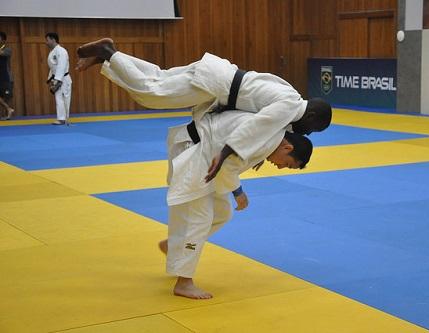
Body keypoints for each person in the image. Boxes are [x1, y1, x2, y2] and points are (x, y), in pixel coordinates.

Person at [75, 38, 331, 179]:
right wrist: (226, 153)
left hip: (216, 74)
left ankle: (108, 56)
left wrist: (261, 155)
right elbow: (256, 126)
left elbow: (262, 126)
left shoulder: (291, 94)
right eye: (312, 128)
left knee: (158, 77)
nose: (306, 133)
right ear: (310, 116)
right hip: (215, 85)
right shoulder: (290, 107)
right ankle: (109, 52)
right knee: (153, 95)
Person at [159, 108, 313, 299]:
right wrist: (238, 193)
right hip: (195, 152)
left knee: (222, 212)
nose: (280, 166)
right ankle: (183, 282)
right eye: (287, 164)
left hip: (203, 153)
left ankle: (174, 247)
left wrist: (260, 156)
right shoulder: (265, 140)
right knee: (200, 219)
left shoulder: (270, 136)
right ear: (287, 148)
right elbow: (227, 166)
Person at [46, 32, 72, 125]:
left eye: (47, 40)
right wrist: (50, 79)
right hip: (57, 78)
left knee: (64, 98)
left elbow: (61, 65)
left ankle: (65, 119)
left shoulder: (61, 51)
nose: (46, 42)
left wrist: (58, 80)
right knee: (59, 98)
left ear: (53, 40)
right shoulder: (53, 51)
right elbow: (53, 67)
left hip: (63, 79)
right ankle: (61, 118)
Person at [0, 32, 14, 121]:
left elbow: (2, 53)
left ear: (3, 40)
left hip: (6, 77)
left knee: (7, 96)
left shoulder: (7, 49)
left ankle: (8, 112)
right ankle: (9, 109)